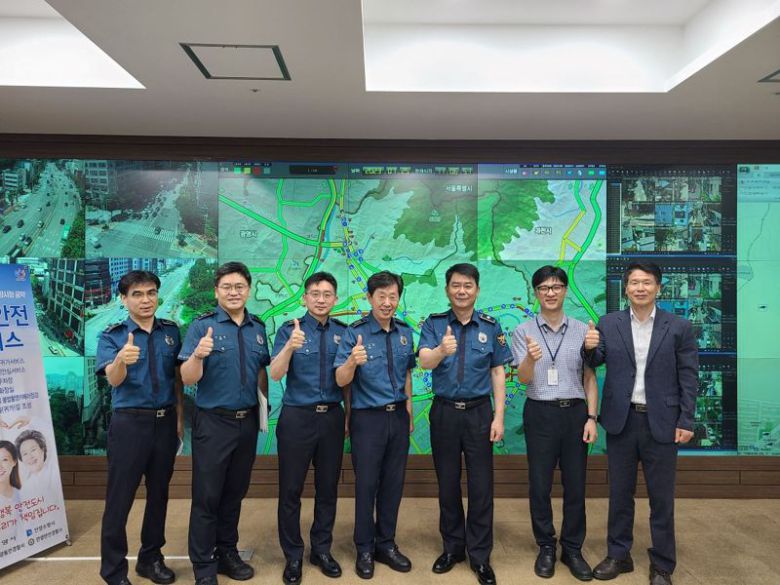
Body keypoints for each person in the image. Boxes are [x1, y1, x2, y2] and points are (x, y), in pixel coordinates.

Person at [584, 261, 698, 585]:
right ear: (626, 288)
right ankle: (619, 555)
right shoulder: (609, 323)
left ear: (658, 287)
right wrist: (588, 347)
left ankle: (662, 565)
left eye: (647, 282)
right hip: (622, 420)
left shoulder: (679, 326)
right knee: (620, 494)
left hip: (663, 421)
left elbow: (689, 377)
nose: (640, 288)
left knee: (661, 499)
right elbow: (595, 360)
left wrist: (686, 419)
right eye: (634, 282)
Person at [418, 263, 512, 585]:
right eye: (456, 285)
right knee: (447, 484)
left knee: (481, 486)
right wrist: (441, 350)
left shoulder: (491, 325)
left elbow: (498, 371)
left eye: (468, 285)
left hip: (479, 413)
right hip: (444, 412)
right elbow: (424, 361)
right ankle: (453, 548)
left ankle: (480, 555)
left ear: (477, 290)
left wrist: (499, 416)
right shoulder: (434, 324)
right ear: (447, 290)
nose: (462, 291)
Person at [179, 261, 270, 585]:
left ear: (248, 290)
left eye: (239, 287)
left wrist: (263, 412)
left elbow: (261, 371)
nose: (234, 292)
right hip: (213, 423)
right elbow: (187, 377)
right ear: (217, 292)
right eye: (227, 287)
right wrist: (197, 356)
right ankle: (204, 566)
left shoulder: (258, 328)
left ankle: (227, 552)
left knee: (234, 494)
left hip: (247, 424)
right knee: (207, 497)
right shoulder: (201, 327)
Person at [510, 266, 599, 581]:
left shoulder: (582, 330)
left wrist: (591, 417)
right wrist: (530, 359)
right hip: (540, 413)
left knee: (575, 485)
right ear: (536, 293)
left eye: (556, 286)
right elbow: (522, 379)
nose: (550, 292)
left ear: (565, 290)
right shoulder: (522, 331)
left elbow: (589, 377)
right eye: (544, 288)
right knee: (540, 485)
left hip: (575, 413)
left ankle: (572, 548)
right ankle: (546, 546)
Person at [96, 270, 184, 585]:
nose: (145, 300)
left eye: (150, 293)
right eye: (137, 294)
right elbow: (113, 379)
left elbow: (177, 380)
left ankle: (150, 559)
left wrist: (178, 418)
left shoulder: (170, 331)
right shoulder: (112, 335)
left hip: (165, 423)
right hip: (129, 425)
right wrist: (121, 359)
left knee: (159, 495)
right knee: (119, 500)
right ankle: (113, 571)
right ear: (124, 299)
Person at [334, 271, 416, 580]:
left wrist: (409, 410)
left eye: (393, 296)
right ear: (370, 298)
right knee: (367, 485)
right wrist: (351, 362)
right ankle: (365, 548)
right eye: (381, 296)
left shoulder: (405, 332)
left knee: (393, 484)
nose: (387, 302)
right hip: (367, 419)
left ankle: (386, 544)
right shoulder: (354, 333)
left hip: (398, 417)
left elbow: (407, 374)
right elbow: (340, 379)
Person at [270, 272, 349, 584]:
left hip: (331, 418)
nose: (321, 299)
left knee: (327, 488)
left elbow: (347, 382)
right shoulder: (289, 330)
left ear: (335, 299)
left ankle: (321, 550)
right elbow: (276, 374)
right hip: (297, 418)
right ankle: (293, 555)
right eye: (315, 293)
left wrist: (348, 416)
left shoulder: (344, 332)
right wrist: (290, 347)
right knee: (290, 490)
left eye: (327, 294)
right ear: (304, 298)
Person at [15, 429, 56, 497]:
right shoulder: (25, 489)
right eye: (25, 454)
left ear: (42, 450)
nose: (30, 456)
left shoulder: (55, 472)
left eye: (33, 450)